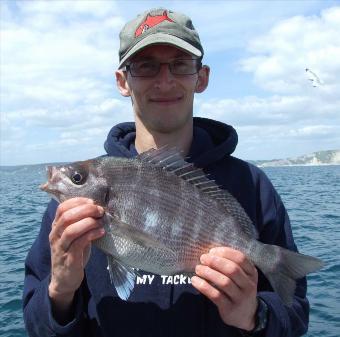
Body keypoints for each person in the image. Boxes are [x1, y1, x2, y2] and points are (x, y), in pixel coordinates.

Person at [23, 8, 311, 337]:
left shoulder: (252, 186)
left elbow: (295, 316)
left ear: (200, 77)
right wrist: (60, 290)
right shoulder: (67, 211)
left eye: (180, 64)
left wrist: (255, 316)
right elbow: (36, 325)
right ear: (122, 80)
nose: (164, 80)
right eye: (146, 66)